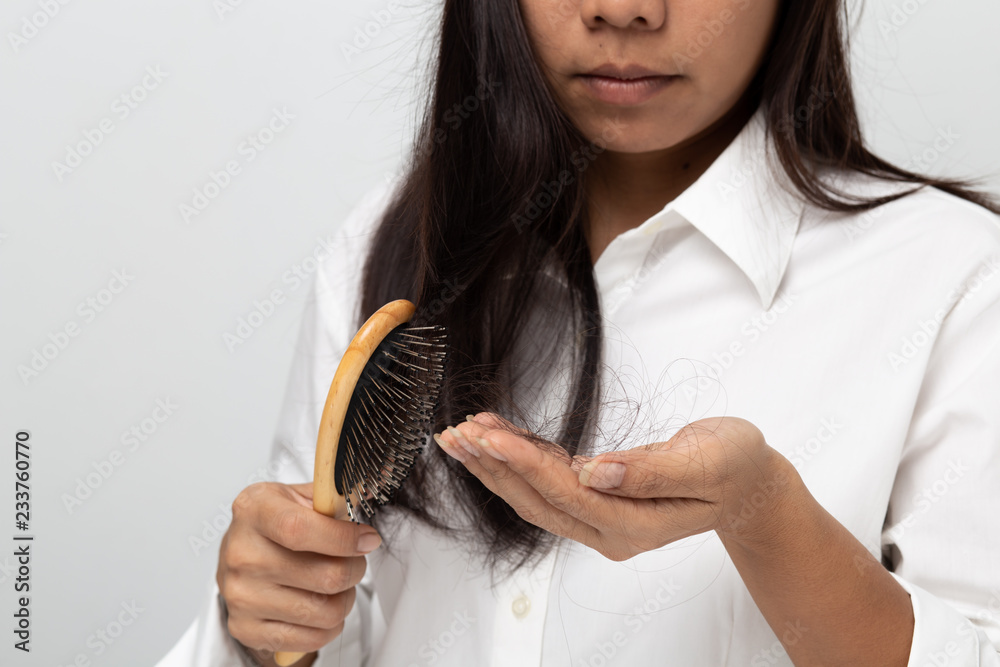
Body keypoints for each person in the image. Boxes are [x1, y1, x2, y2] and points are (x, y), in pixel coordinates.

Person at [158, 0, 1000, 665]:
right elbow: (316, 621)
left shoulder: (957, 278)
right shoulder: (385, 247)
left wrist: (764, 515)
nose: (624, 9)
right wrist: (266, 620)